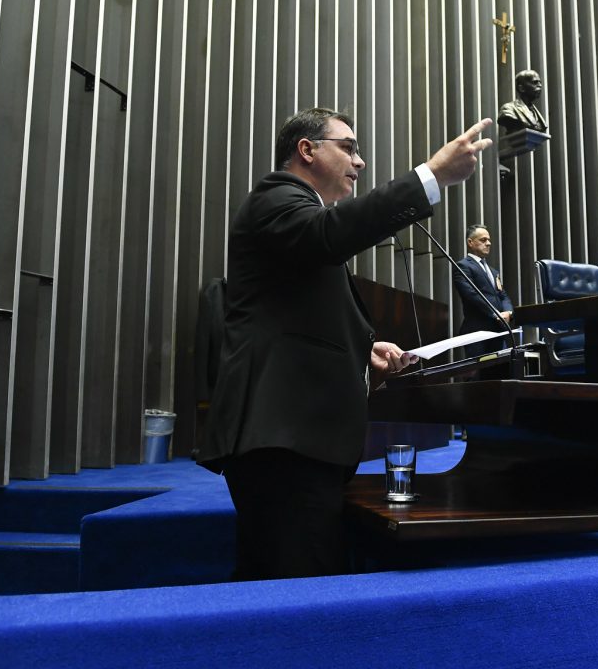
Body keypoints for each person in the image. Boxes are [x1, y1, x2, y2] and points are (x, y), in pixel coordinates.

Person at [197, 107, 492, 581]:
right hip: (283, 442)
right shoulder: (277, 196)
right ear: (307, 150)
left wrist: (364, 350)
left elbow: (299, 316)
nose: (360, 162)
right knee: (295, 585)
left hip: (298, 440)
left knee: (287, 577)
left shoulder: (299, 215)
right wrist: (432, 176)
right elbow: (328, 235)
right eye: (349, 148)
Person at [452, 224, 514, 357]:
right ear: (470, 242)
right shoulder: (463, 266)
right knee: (479, 369)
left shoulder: (493, 271)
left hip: (498, 331)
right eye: (483, 240)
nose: (489, 243)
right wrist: (496, 314)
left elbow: (503, 295)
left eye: (489, 240)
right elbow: (471, 295)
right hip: (478, 332)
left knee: (500, 368)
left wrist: (508, 312)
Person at [497, 69, 548, 135]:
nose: (540, 85)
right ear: (521, 88)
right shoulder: (508, 109)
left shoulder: (536, 113)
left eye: (540, 82)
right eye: (535, 82)